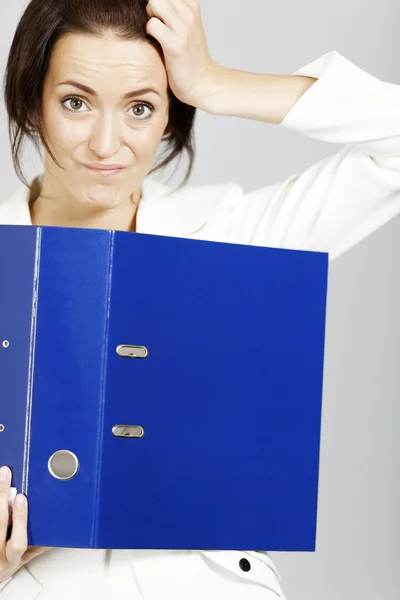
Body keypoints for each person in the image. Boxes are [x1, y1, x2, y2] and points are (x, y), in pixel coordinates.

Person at [0, 0, 399, 598]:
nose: (107, 144)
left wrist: (214, 82)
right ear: (33, 102)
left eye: (140, 107)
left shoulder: (230, 236)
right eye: (75, 102)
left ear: (170, 116)